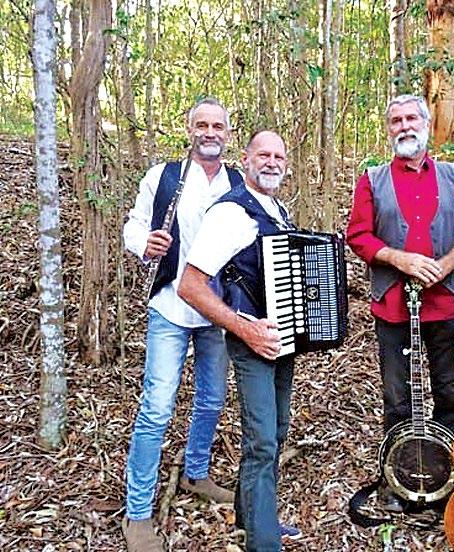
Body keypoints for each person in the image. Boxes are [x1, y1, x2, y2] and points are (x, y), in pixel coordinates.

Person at [346, 94, 454, 512]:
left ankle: (442, 481)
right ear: (389, 129)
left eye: (411, 119)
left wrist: (444, 266)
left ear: (426, 124)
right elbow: (358, 236)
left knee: (450, 395)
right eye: (396, 120)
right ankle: (399, 480)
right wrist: (397, 258)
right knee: (397, 398)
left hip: (448, 304)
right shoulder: (372, 180)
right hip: (393, 306)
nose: (404, 126)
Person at [122, 98, 243, 552]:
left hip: (216, 309)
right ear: (190, 129)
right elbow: (133, 227)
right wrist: (145, 243)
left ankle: (196, 473)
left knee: (212, 399)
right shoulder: (164, 177)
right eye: (201, 125)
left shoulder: (237, 183)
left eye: (217, 126)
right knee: (156, 407)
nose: (210, 133)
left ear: (228, 133)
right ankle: (137, 513)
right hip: (170, 306)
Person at [177, 130, 301, 552]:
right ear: (245, 160)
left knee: (275, 432)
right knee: (262, 440)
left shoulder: (277, 210)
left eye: (278, 156)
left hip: (282, 339)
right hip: (251, 344)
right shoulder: (230, 213)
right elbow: (190, 286)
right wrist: (244, 329)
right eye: (263, 155)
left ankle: (252, 518)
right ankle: (263, 543)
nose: (271, 162)